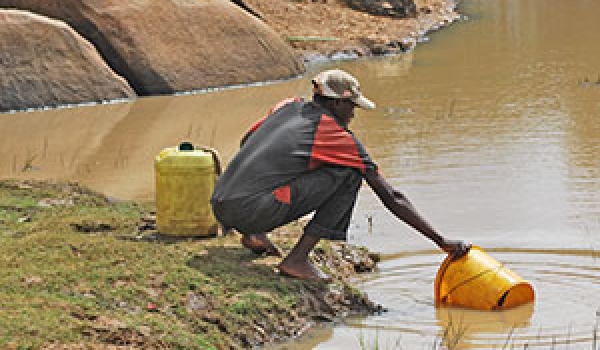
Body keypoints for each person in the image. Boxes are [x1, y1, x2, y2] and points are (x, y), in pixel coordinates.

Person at [211, 69, 470, 282]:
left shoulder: (288, 106)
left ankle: (254, 234)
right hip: (250, 210)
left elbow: (248, 139)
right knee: (349, 175)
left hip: (221, 204)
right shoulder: (336, 136)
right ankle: (297, 260)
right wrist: (441, 241)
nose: (353, 114)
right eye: (351, 107)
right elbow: (392, 197)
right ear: (337, 103)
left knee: (286, 176)